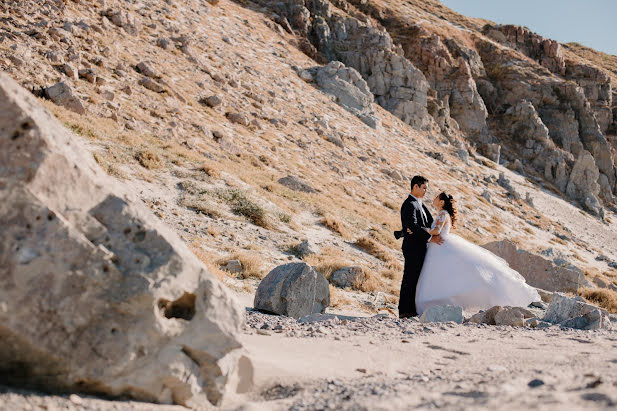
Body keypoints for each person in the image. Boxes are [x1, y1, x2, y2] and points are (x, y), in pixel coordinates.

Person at [414, 192, 541, 314]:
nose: (434, 198)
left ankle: (432, 303)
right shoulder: (443, 213)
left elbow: (436, 231)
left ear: (441, 201)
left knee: (443, 275)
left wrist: (420, 229)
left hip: (440, 247)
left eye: (437, 197)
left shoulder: (442, 213)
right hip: (438, 247)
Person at [398, 176, 444, 318]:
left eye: (426, 188)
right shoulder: (409, 204)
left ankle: (412, 309)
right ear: (415, 187)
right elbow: (411, 224)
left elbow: (426, 225)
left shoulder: (421, 205)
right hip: (412, 248)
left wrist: (423, 230)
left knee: (416, 279)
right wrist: (430, 237)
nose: (425, 191)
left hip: (420, 247)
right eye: (424, 188)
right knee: (409, 279)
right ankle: (404, 311)